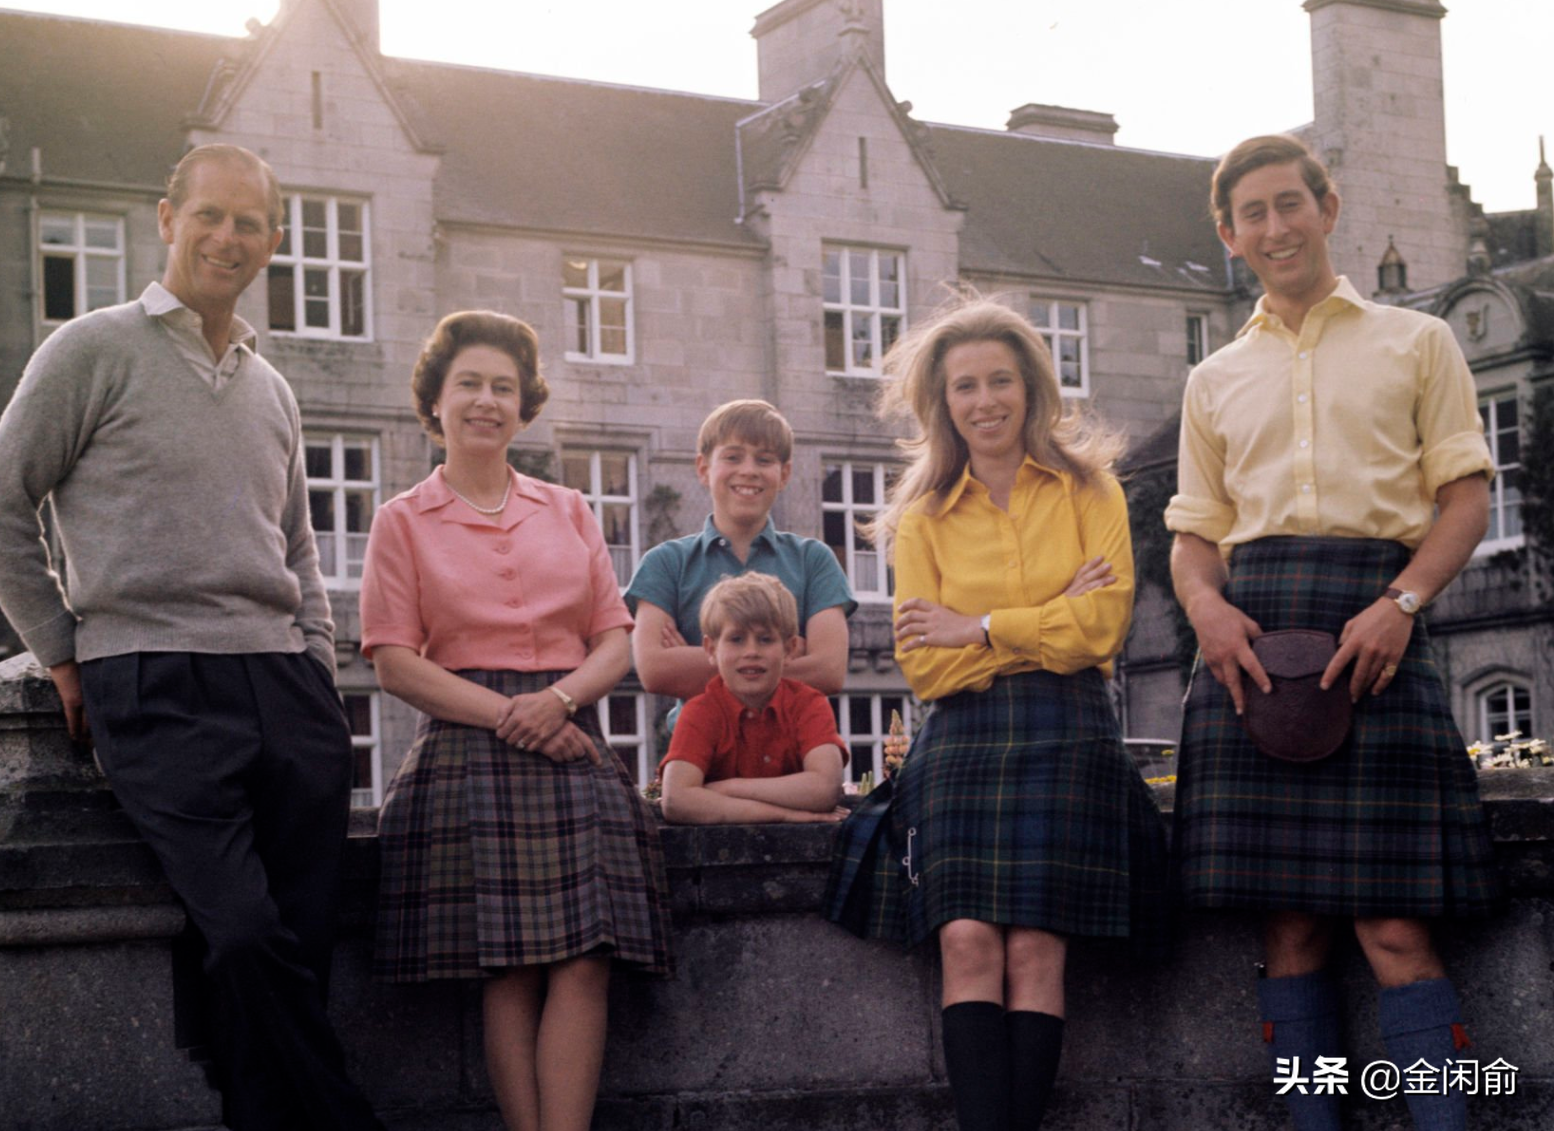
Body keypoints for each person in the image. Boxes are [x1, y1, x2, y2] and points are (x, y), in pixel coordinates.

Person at [0, 145, 382, 1130]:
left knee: (298, 936)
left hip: (284, 686)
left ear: (275, 242)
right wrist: (58, 645)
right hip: (152, 680)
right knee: (245, 931)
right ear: (167, 219)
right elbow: (4, 500)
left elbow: (296, 545)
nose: (228, 237)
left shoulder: (273, 388)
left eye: (248, 223)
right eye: (209, 216)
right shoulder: (91, 350)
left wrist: (315, 658)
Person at [1166, 134, 1500, 1131]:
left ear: (1327, 206)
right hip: (1252, 646)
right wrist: (1210, 613)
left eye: (1290, 204)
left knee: (1395, 929)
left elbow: (1465, 497)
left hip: (1375, 622)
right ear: (1229, 234)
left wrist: (1401, 604)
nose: (1275, 227)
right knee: (1291, 930)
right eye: (1253, 214)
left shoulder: (1418, 341)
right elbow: (1193, 538)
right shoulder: (1211, 379)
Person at [824, 296, 1169, 1131]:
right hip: (961, 739)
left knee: (1035, 946)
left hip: (1069, 729)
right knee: (968, 942)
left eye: (1001, 380)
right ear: (942, 403)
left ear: (1032, 386)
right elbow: (924, 660)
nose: (985, 401)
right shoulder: (923, 516)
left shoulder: (1091, 489)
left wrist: (977, 625)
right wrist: (1045, 618)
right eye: (965, 386)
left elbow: (1101, 631)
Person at [361, 310, 672, 1131]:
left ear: (525, 406)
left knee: (584, 962)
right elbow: (393, 661)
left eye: (503, 386)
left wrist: (560, 700)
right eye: (468, 383)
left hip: (575, 739)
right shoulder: (401, 519)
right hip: (470, 745)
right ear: (436, 400)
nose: (486, 401)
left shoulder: (569, 508)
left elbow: (615, 637)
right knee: (508, 968)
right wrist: (514, 713)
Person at [626, 399, 856, 713]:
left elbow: (829, 672)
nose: (748, 471)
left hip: (793, 754)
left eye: (764, 460)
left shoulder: (813, 560)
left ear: (784, 473)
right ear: (704, 469)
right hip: (699, 755)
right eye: (733, 457)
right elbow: (655, 670)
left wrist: (702, 659)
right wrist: (784, 656)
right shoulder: (666, 563)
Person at [658, 572, 849, 825]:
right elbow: (677, 800)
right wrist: (784, 815)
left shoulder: (808, 704)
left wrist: (724, 789)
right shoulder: (700, 712)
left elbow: (825, 788)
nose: (751, 652)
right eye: (736, 639)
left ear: (789, 649)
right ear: (711, 650)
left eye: (765, 639)